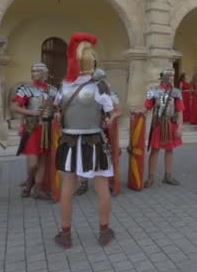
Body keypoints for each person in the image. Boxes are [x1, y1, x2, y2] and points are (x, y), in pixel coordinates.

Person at [53, 33, 115, 248]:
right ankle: (104, 230)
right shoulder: (100, 86)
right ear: (93, 61)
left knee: (67, 190)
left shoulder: (63, 86)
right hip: (94, 142)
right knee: (102, 188)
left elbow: (56, 113)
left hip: (69, 143)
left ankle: (65, 234)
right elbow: (111, 112)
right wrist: (108, 120)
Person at [11, 62, 58, 198]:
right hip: (32, 128)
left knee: (43, 159)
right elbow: (14, 107)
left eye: (37, 71)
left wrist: (57, 113)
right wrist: (31, 112)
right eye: (33, 71)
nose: (34, 74)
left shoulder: (53, 90)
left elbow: (57, 107)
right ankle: (30, 182)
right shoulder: (26, 89)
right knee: (33, 163)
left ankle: (38, 189)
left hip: (47, 128)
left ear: (44, 73)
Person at [75, 72, 123, 196]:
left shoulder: (111, 95)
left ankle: (107, 183)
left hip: (104, 131)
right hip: (86, 128)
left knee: (105, 156)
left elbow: (119, 110)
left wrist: (111, 118)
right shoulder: (85, 95)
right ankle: (83, 183)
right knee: (83, 154)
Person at [135, 68, 183, 188]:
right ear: (164, 78)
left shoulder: (176, 92)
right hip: (157, 124)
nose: (172, 78)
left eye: (173, 76)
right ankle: (150, 177)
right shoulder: (154, 91)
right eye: (170, 76)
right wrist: (139, 112)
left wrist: (180, 128)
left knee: (169, 150)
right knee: (155, 150)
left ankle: (168, 176)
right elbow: (147, 106)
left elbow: (180, 111)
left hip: (171, 124)